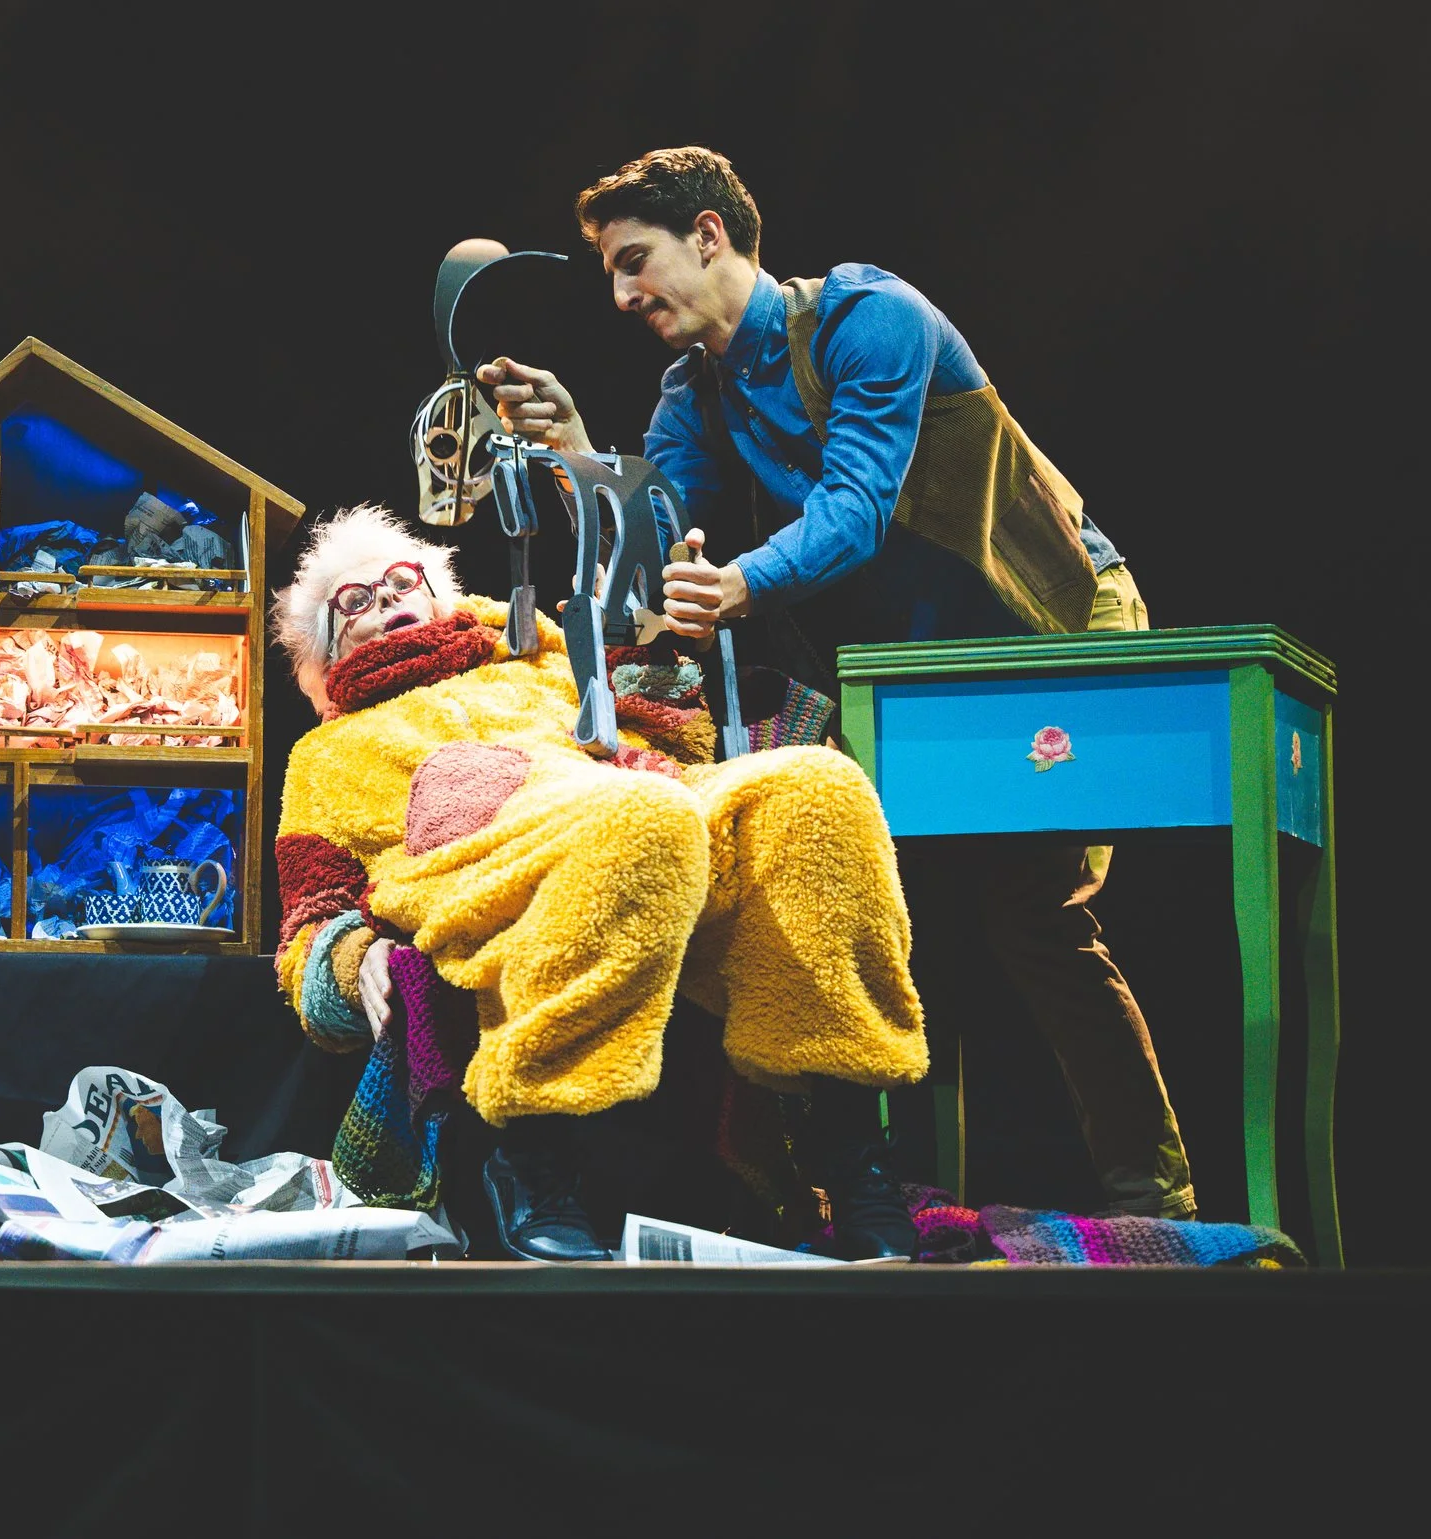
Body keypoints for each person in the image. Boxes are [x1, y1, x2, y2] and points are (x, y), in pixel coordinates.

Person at [476, 144, 1193, 1219]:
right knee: (866, 901)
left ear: (708, 235)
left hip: (1043, 613)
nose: (621, 296)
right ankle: (880, 1193)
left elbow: (855, 509)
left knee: (1038, 911)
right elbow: (655, 555)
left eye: (634, 262)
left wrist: (739, 585)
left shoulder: (869, 318)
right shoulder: (693, 391)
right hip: (902, 666)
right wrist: (577, 451)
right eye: (612, 274)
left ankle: (1157, 1195)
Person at [269, 502, 927, 1261]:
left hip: (648, 813)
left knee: (816, 789)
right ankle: (534, 1160)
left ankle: (848, 1153)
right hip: (485, 856)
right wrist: (351, 957)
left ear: (438, 592)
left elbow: (682, 739)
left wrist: (665, 641)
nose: (385, 598)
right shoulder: (327, 755)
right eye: (354, 599)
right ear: (327, 646)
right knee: (637, 814)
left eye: (400, 579)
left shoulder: (544, 657)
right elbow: (309, 916)